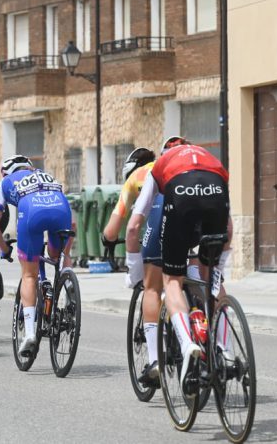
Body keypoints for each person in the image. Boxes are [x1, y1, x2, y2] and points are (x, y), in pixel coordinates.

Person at [132, 140, 230, 391]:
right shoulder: (210, 158)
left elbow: (134, 224)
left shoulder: (160, 166)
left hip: (181, 198)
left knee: (172, 281)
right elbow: (228, 226)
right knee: (211, 281)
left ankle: (187, 345)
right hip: (215, 192)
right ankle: (224, 350)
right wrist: (220, 265)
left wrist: (133, 269)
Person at [0, 155, 74, 357]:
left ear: (6, 172)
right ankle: (69, 288)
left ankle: (29, 335)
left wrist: (5, 249)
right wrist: (66, 252)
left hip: (31, 213)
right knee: (58, 255)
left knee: (29, 274)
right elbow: (73, 225)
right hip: (61, 211)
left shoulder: (4, 183)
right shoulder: (47, 176)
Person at [109, 146, 162, 384]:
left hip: (160, 221)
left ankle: (155, 360)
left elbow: (116, 229)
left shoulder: (136, 178)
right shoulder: (170, 165)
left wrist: (108, 241)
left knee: (151, 287)